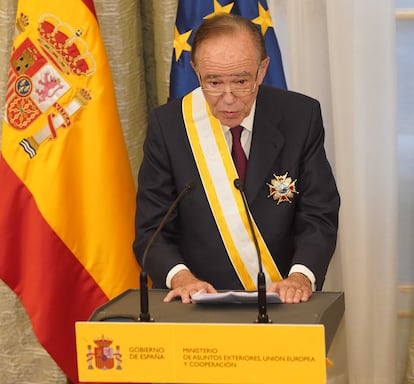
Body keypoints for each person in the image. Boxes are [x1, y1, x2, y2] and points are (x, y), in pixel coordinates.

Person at [133, 13, 340, 305]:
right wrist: (182, 278)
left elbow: (319, 214)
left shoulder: (300, 117)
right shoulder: (168, 127)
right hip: (195, 305)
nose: (228, 98)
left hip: (283, 302)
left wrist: (300, 276)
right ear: (195, 71)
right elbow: (151, 230)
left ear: (262, 70)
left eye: (241, 81)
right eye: (214, 82)